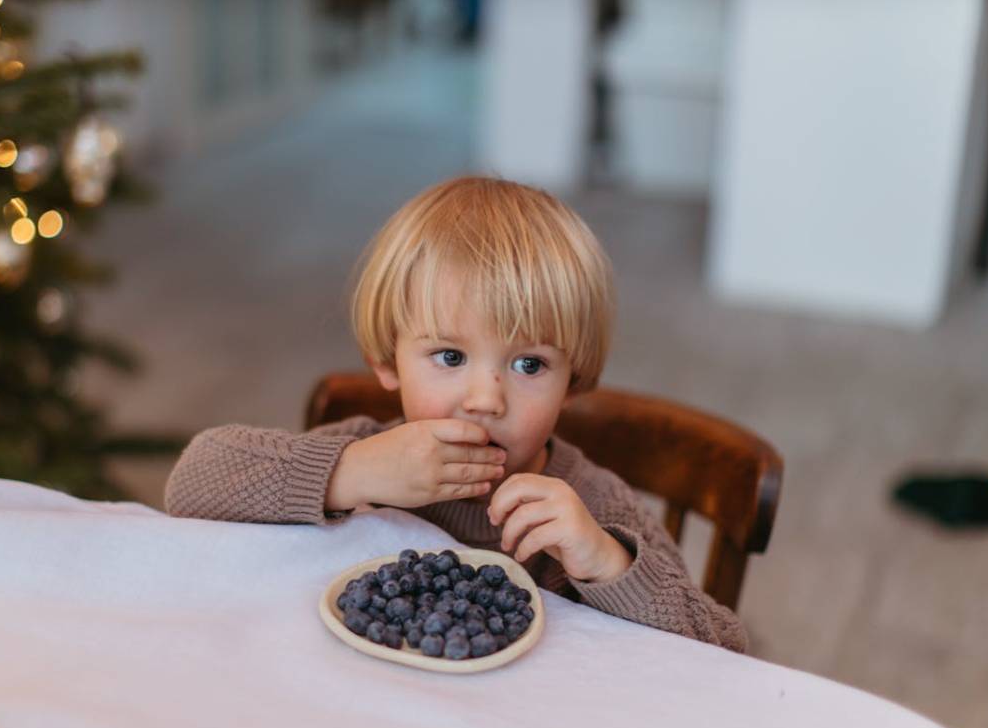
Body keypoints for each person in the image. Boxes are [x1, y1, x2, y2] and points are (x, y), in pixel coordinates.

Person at [165, 176, 746, 652]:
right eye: (449, 356)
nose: (486, 399)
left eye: (529, 365)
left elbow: (721, 649)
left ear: (575, 381)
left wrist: (605, 560)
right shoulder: (366, 454)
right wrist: (351, 473)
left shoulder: (595, 507)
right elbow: (192, 482)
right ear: (387, 361)